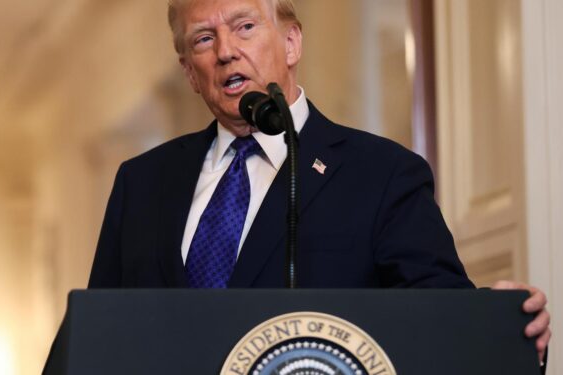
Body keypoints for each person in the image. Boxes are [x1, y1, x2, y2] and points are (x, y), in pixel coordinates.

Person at [87, 0, 551, 364]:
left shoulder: (382, 174)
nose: (226, 50)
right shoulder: (141, 183)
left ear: (291, 43)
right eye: (204, 39)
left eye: (245, 26)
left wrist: (497, 324)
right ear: (190, 72)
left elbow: (436, 318)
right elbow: (98, 336)